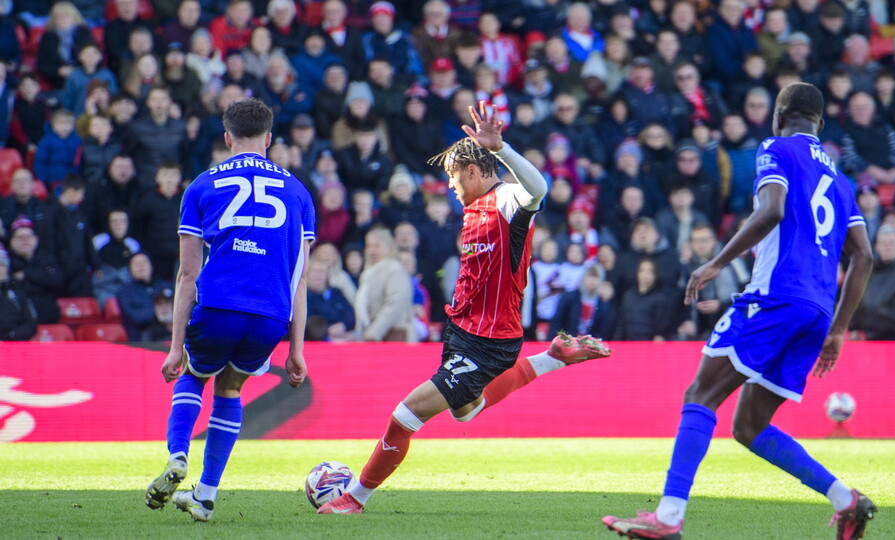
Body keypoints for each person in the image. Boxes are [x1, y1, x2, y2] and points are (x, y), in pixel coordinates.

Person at [602, 83, 877, 540]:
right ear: (820, 124)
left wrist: (715, 262)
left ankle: (668, 517)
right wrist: (839, 329)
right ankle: (846, 501)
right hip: (818, 311)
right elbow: (864, 256)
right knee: (749, 426)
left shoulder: (776, 148)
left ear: (779, 114)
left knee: (700, 394)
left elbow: (770, 210)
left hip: (775, 295)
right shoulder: (843, 181)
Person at [316, 102, 611, 515]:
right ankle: (553, 358)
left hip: (488, 341)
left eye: (453, 178)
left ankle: (354, 499)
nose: (451, 187)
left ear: (473, 171)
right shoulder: (472, 210)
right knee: (466, 412)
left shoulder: (506, 200)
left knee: (403, 417)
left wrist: (502, 149)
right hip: (463, 333)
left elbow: (538, 189)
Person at [145, 99, 316, 522]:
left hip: (219, 304)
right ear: (270, 139)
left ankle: (179, 454)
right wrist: (296, 350)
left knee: (192, 374)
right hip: (271, 316)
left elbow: (187, 275)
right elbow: (301, 279)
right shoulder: (298, 192)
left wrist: (174, 346)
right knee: (231, 389)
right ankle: (204, 495)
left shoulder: (202, 185)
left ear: (227, 138)